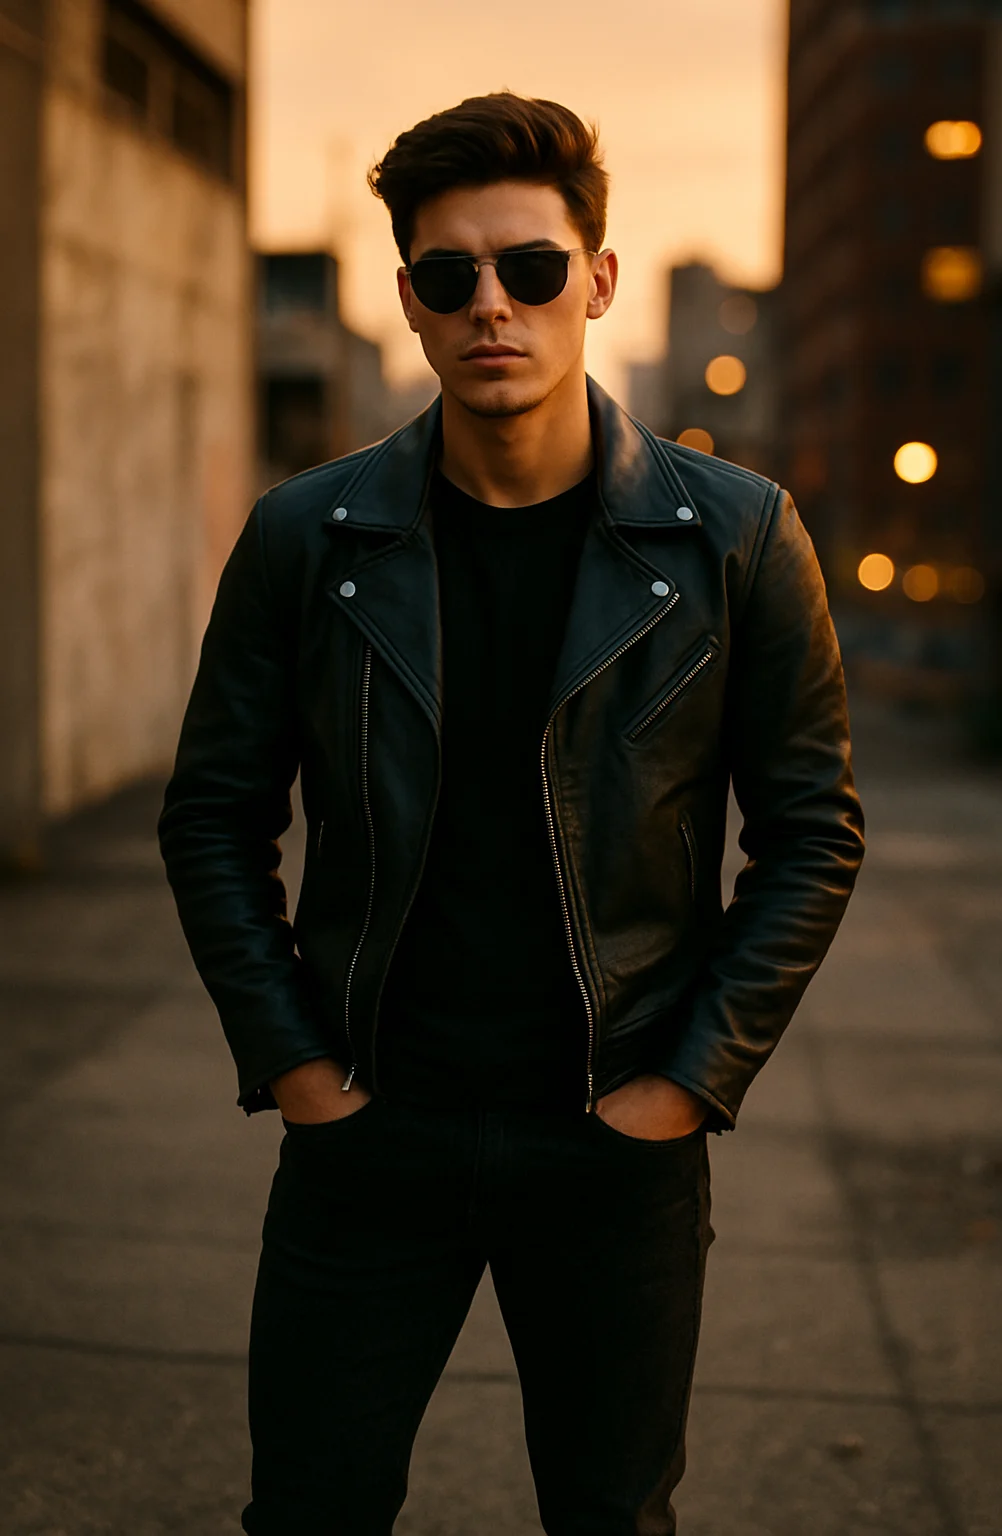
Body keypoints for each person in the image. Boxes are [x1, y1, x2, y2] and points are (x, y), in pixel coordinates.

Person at [159, 92, 864, 1536]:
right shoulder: (311, 537)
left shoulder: (734, 537)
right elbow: (215, 816)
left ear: (596, 282)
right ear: (409, 299)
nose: (496, 304)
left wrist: (686, 1082)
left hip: (613, 1145)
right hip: (371, 1132)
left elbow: (810, 832)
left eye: (532, 269)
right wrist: (297, 1067)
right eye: (450, 274)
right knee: (306, 1510)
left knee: (612, 1519)